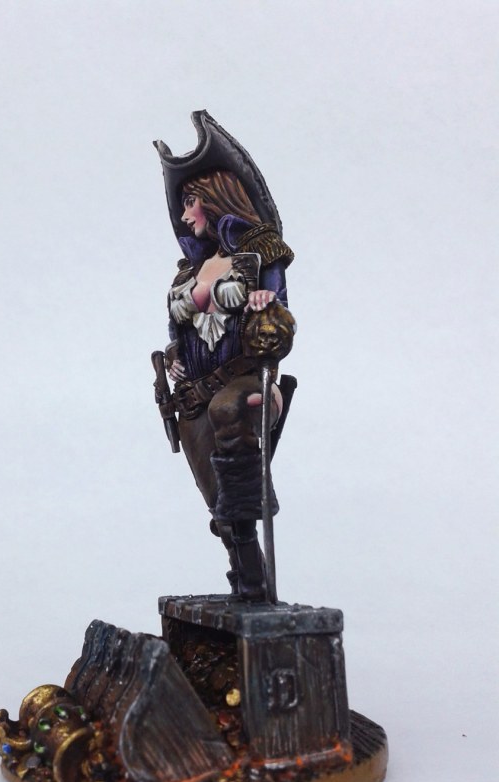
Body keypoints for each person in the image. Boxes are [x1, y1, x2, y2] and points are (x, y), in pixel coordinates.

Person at [154, 113, 296, 601]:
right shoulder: (188, 272)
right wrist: (174, 355)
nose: (185, 214)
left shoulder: (257, 257)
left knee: (233, 450)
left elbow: (279, 321)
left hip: (241, 382)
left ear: (213, 199)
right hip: (193, 394)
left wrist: (265, 302)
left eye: (190, 202)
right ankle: (246, 577)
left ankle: (254, 582)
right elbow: (180, 329)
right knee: (216, 500)